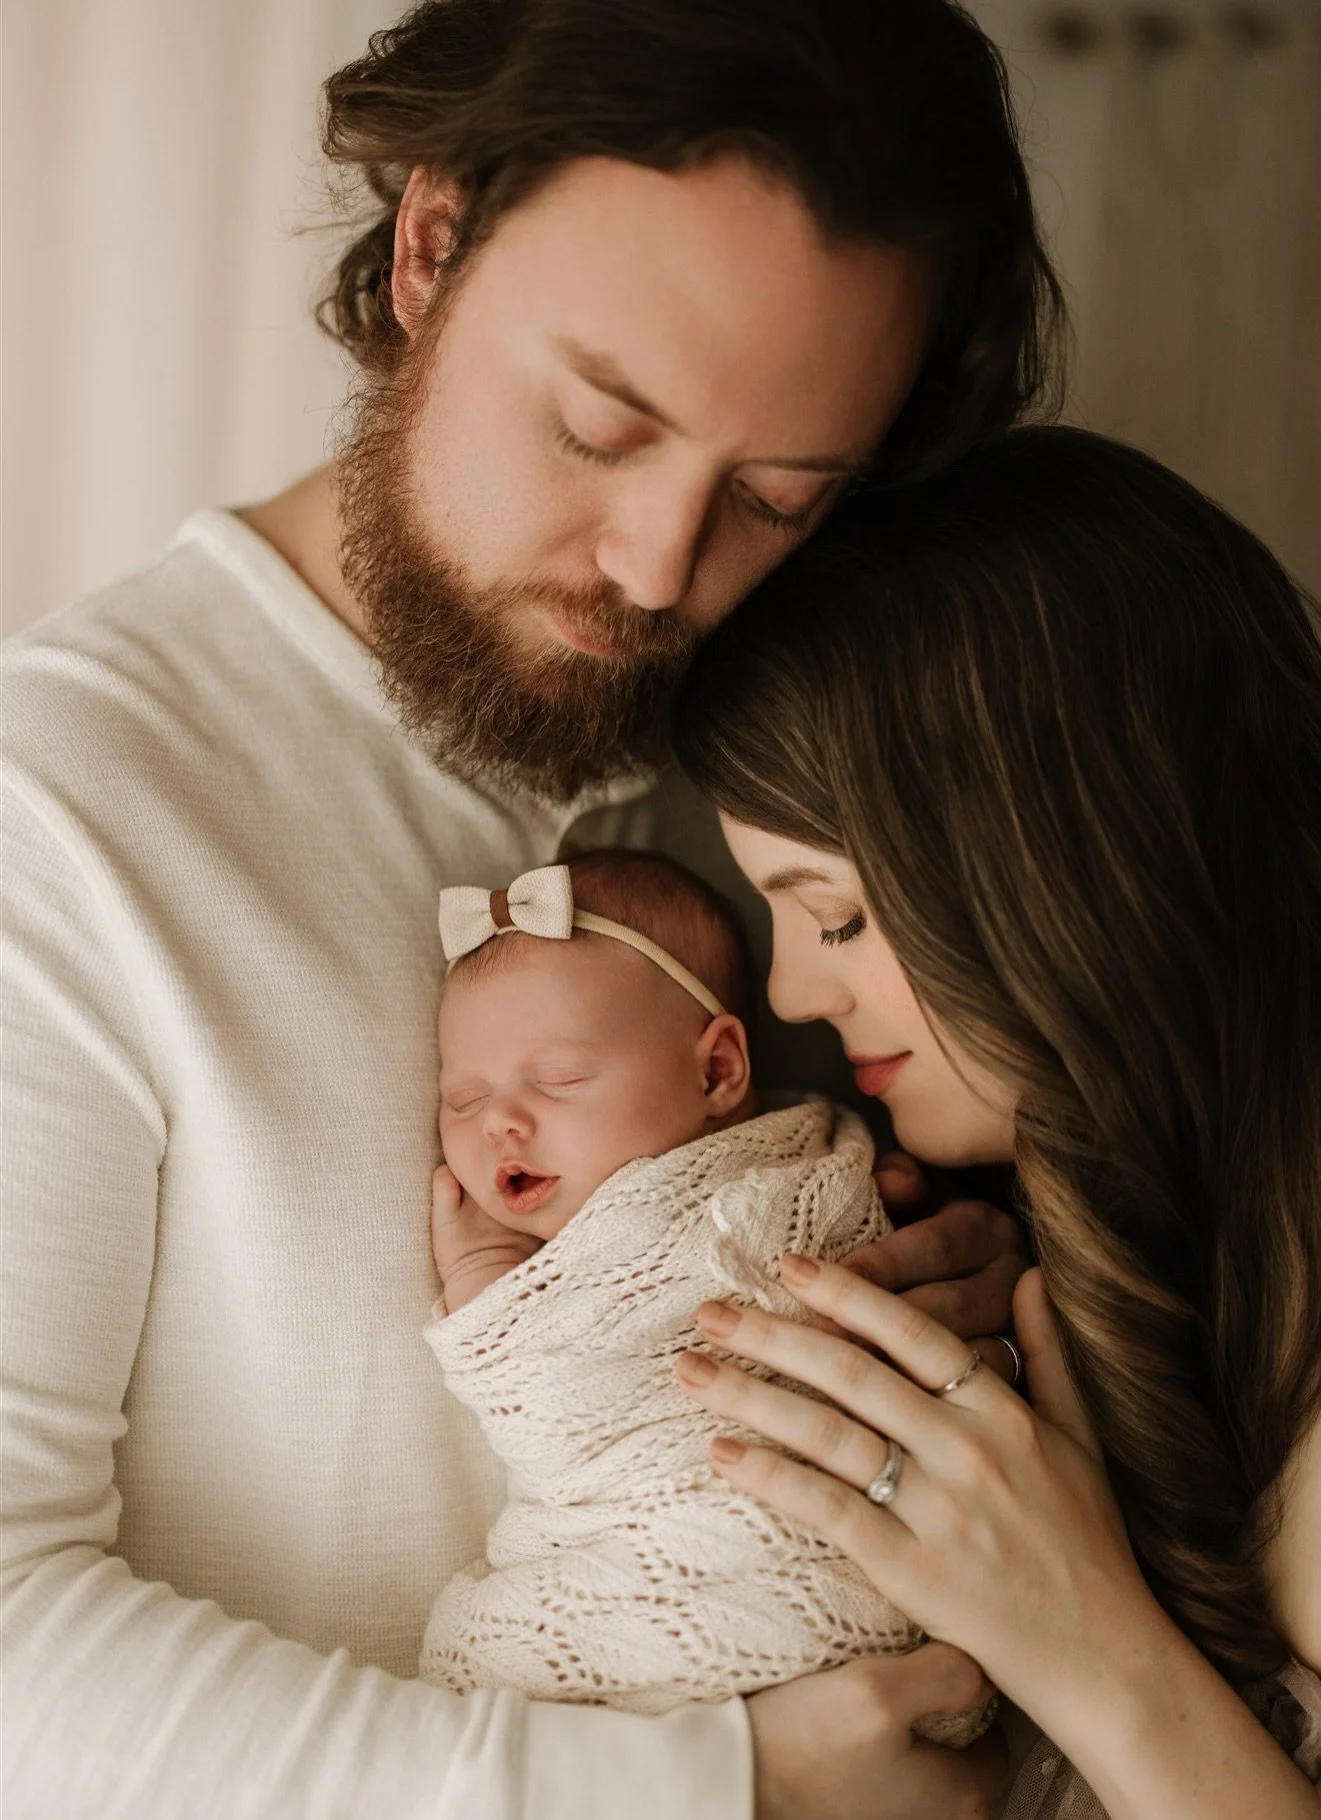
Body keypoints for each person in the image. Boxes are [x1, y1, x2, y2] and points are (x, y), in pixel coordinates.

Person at [0, 3, 1058, 1815]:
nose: (656, 569)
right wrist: (722, 1788)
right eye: (598, 426)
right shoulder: (60, 815)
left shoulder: (772, 787)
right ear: (430, 244)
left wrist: (946, 1311)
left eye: (773, 501)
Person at [668, 425, 1321, 1819]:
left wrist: (1085, 1643)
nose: (793, 991)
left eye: (836, 916)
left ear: (1060, 857)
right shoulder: (1103, 1229)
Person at [422, 847, 995, 1727]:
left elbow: (558, 1402)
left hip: (804, 1556)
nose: (499, 1120)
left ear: (718, 1072)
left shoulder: (806, 1179)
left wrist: (480, 1285)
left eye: (559, 1080)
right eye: (462, 1099)